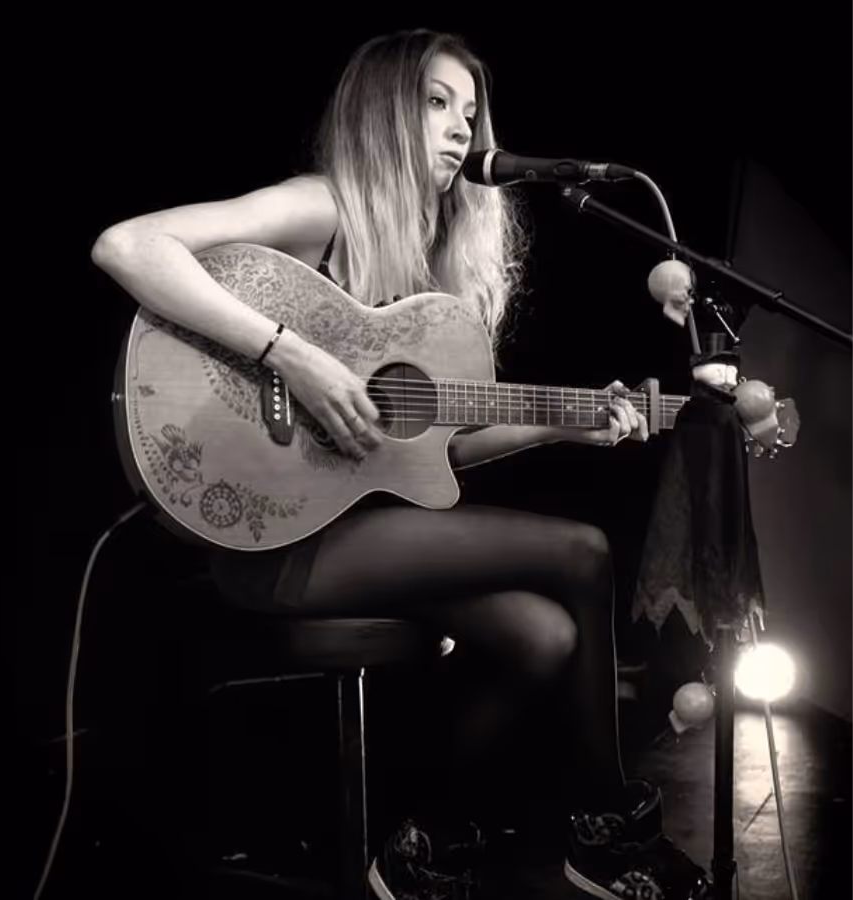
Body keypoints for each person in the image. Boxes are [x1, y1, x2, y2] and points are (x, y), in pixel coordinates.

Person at [92, 28, 713, 900]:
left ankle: (425, 845)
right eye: (435, 102)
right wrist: (291, 355)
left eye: (470, 111)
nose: (461, 128)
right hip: (271, 542)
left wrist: (564, 429)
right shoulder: (322, 206)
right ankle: (607, 833)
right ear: (383, 110)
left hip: (364, 535)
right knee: (581, 551)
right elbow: (128, 245)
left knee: (545, 636)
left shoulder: (438, 264)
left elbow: (438, 452)